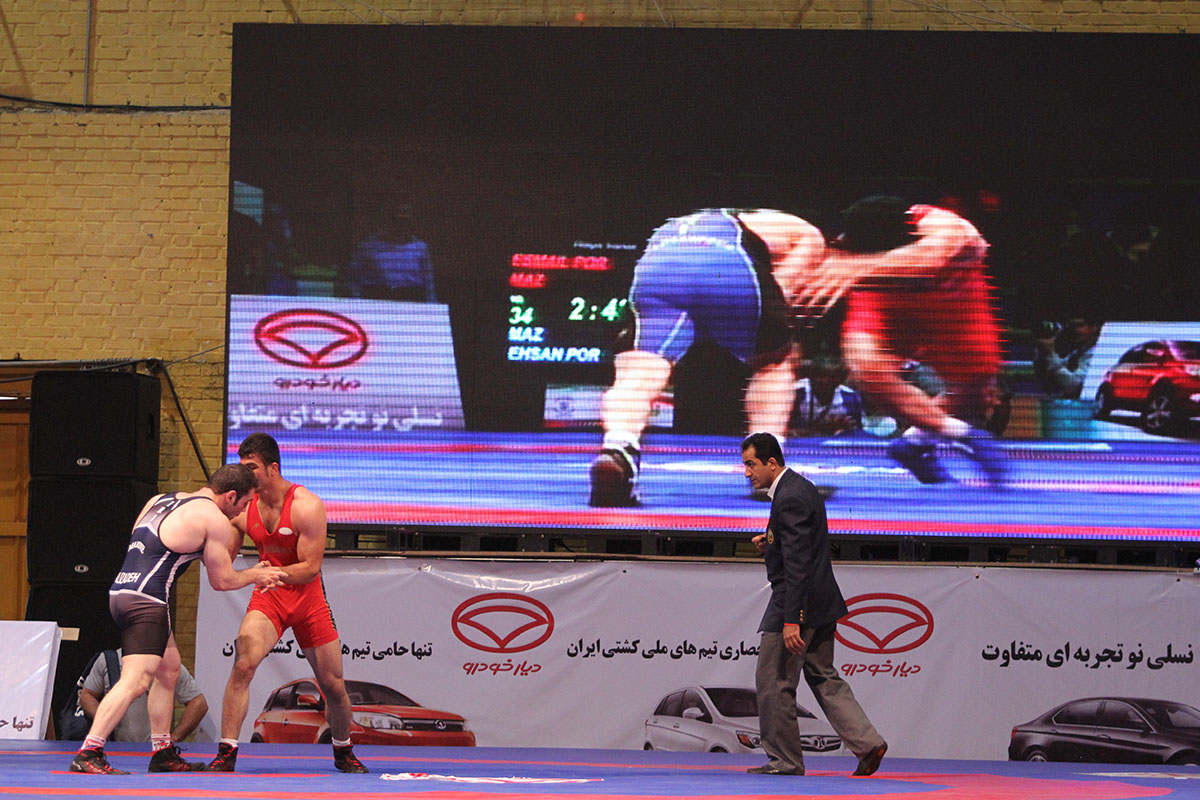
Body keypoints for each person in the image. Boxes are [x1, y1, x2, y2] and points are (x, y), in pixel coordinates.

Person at [590, 208, 826, 506]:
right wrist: (778, 336)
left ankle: (618, 447)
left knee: (639, 370)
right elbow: (782, 294)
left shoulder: (690, 222)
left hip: (657, 265)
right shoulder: (807, 235)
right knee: (774, 363)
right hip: (727, 264)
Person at [70, 464, 285, 775]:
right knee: (135, 680)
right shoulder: (213, 519)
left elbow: (149, 549)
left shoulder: (160, 500)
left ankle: (162, 753)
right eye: (245, 502)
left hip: (122, 592)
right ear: (230, 496)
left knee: (168, 670)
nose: (244, 510)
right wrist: (256, 574)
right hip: (147, 602)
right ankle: (89, 751)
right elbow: (222, 581)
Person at [798, 197, 1006, 486]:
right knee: (864, 366)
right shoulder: (846, 242)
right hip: (885, 302)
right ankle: (959, 433)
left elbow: (928, 261)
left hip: (952, 302)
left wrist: (855, 266)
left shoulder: (946, 227)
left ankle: (914, 443)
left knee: (976, 394)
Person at [208, 432, 367, 774]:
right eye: (243, 466)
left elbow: (310, 568)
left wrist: (266, 574)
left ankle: (343, 750)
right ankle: (226, 753)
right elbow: (224, 554)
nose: (246, 473)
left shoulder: (306, 505)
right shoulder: (243, 508)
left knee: (333, 685)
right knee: (243, 665)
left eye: (252, 467)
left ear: (273, 468)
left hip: (308, 600)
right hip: (270, 598)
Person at [740, 432, 887, 777]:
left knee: (773, 681)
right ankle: (868, 744)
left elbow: (798, 562)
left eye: (751, 464)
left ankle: (785, 761)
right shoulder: (800, 488)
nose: (747, 473)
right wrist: (771, 543)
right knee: (823, 676)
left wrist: (793, 619)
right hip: (821, 601)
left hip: (795, 602)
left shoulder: (789, 497)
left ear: (771, 463)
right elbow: (802, 544)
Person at [80, 648, 212, 743]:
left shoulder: (168, 665)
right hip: (113, 748)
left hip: (154, 751)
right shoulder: (109, 661)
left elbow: (198, 704)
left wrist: (173, 739)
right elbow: (87, 696)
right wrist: (105, 724)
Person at [1033, 316, 1101, 399]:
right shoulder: (1079, 350)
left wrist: (1050, 354)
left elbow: (1074, 385)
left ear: (1093, 328)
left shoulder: (1098, 353)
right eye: (1072, 326)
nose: (1074, 330)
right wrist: (1043, 353)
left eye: (1078, 326)